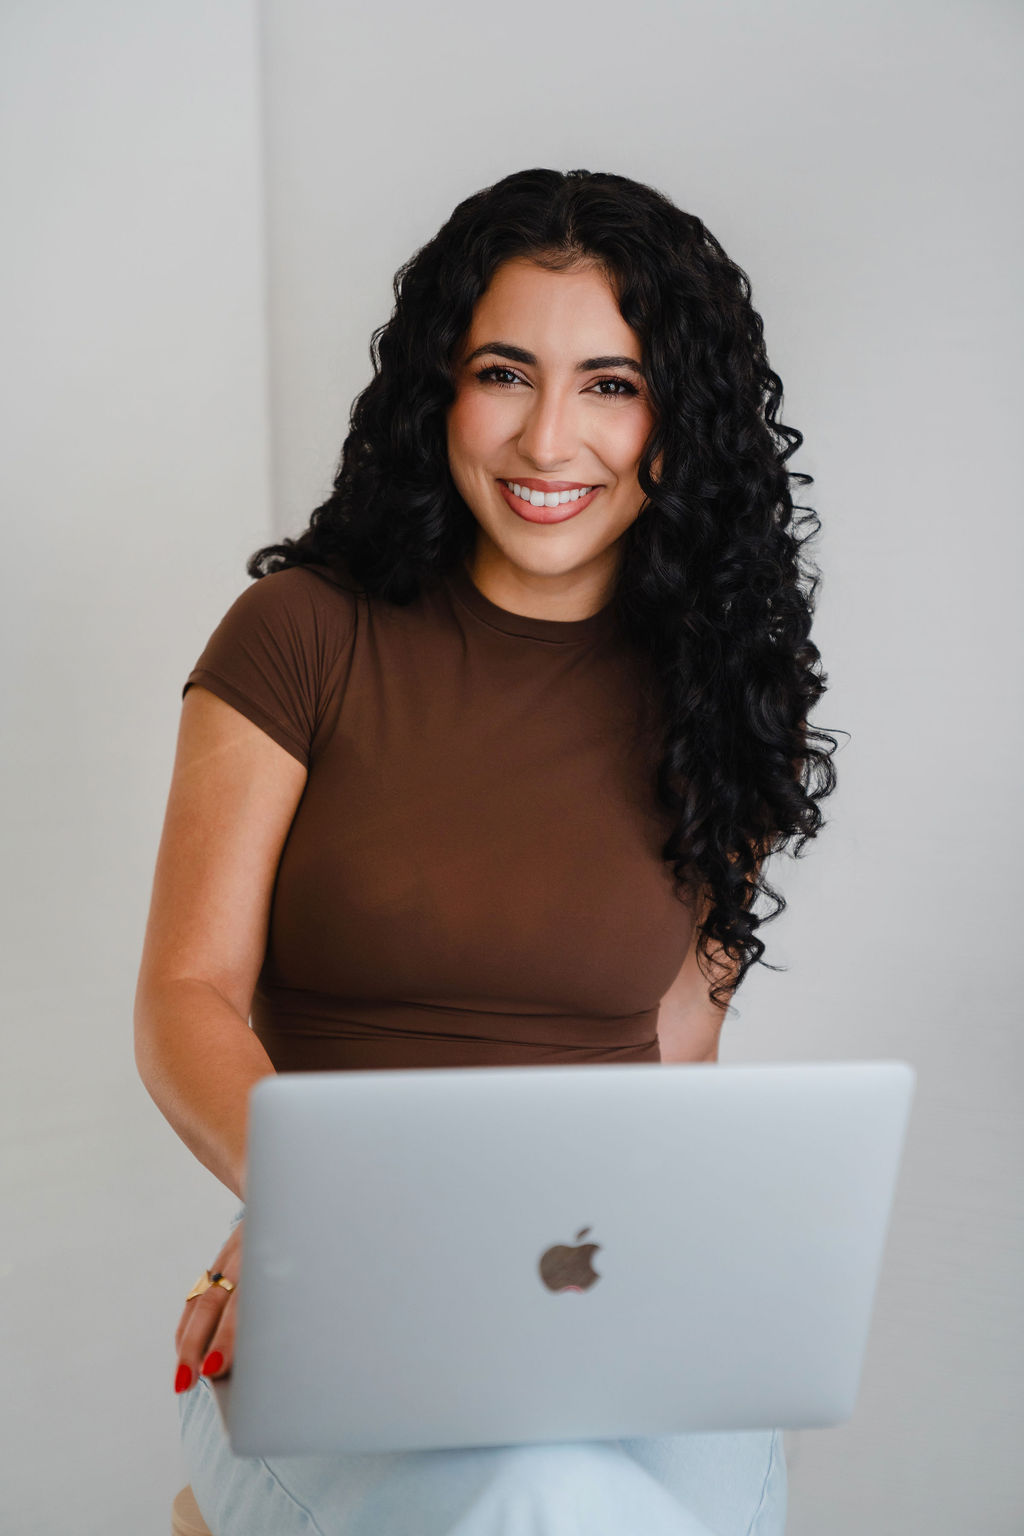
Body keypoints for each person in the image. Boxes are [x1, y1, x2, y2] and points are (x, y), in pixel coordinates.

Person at [134, 166, 837, 1535]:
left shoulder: (723, 693)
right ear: (437, 392)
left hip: (612, 1291)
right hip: (344, 1283)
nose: (548, 439)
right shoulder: (301, 636)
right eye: (504, 373)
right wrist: (311, 1211)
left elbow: (678, 1052)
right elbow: (186, 995)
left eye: (612, 385)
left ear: (681, 420)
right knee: (549, 1500)